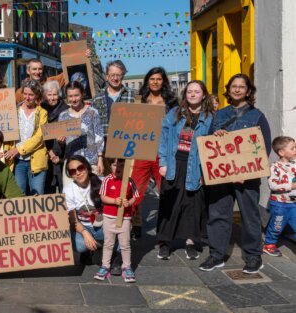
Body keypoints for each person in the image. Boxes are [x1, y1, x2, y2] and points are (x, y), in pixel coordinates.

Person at [199, 73, 271, 274]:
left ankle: (253, 256)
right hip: (222, 175)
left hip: (247, 176)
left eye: (241, 86)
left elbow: (264, 147)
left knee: (250, 215)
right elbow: (209, 144)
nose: (237, 89)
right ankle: (216, 255)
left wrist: (248, 171)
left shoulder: (257, 116)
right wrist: (216, 135)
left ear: (248, 91)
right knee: (218, 214)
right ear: (229, 90)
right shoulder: (219, 115)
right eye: (234, 86)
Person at [156, 80, 214, 261]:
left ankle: (190, 242)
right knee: (169, 204)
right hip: (175, 165)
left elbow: (212, 147)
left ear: (204, 95)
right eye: (189, 91)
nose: (193, 94)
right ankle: (164, 243)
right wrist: (163, 163)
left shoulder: (211, 118)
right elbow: (163, 139)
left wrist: (206, 172)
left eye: (197, 91)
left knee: (193, 206)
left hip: (195, 166)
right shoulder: (174, 114)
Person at [130, 67, 179, 240]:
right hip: (142, 149)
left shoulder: (172, 101)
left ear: (163, 81)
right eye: (152, 79)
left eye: (159, 79)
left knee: (165, 190)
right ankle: (133, 226)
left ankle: (165, 231)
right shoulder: (139, 99)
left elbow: (177, 126)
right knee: (134, 190)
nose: (155, 82)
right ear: (147, 81)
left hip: (163, 152)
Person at [94, 158, 139, 283]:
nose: (118, 167)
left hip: (124, 218)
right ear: (110, 166)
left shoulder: (129, 181)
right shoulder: (107, 179)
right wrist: (114, 201)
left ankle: (127, 266)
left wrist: (128, 203)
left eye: (122, 164)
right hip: (109, 217)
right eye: (115, 164)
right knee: (108, 243)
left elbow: (135, 196)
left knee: (125, 244)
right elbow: (103, 197)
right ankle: (105, 266)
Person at [3, 80, 48, 195]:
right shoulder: (14, 111)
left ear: (37, 95)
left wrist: (19, 149)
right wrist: (5, 150)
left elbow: (40, 137)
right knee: (18, 194)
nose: (27, 97)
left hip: (36, 160)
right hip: (18, 161)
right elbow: (8, 132)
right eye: (25, 94)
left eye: (31, 95)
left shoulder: (42, 113)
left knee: (37, 195)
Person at [58, 81, 104, 185]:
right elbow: (62, 143)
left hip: (91, 161)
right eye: (70, 96)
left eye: (76, 95)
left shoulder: (92, 112)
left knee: (93, 194)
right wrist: (60, 141)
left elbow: (98, 135)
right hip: (72, 163)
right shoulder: (63, 116)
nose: (73, 99)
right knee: (72, 195)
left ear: (82, 94)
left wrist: (100, 158)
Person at [64, 155, 104, 265]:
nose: (77, 173)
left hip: (103, 225)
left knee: (121, 228)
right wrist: (85, 233)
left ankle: (114, 253)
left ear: (86, 167)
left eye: (80, 168)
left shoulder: (102, 182)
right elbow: (73, 220)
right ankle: (88, 249)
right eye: (72, 171)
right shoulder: (68, 190)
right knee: (79, 245)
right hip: (83, 226)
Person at [262, 136, 296, 257]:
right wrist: (291, 185)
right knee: (277, 226)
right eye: (292, 148)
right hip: (279, 204)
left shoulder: (294, 164)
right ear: (282, 152)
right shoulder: (274, 167)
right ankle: (269, 244)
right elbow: (273, 185)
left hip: (293, 203)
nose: (295, 150)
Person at [91, 60, 135, 144]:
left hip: (126, 144)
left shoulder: (132, 96)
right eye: (112, 75)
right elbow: (93, 125)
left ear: (122, 76)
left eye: (118, 75)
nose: (115, 78)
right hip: (104, 146)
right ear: (107, 77)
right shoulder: (97, 99)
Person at [41, 80, 69, 193]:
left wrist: (62, 142)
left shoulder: (66, 109)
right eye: (49, 94)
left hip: (63, 154)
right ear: (44, 95)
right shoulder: (40, 109)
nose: (52, 98)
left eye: (55, 94)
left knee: (65, 188)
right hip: (46, 153)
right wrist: (50, 152)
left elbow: (71, 132)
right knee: (48, 190)